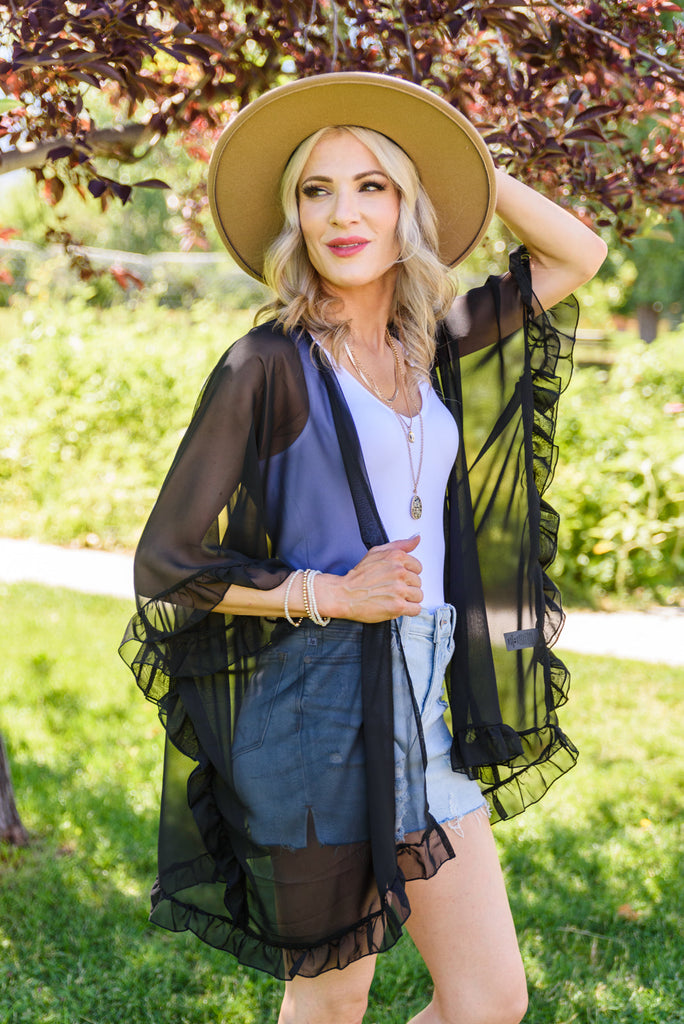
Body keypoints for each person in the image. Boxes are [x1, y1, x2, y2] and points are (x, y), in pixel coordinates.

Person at [120, 73, 606, 1024]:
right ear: (294, 216)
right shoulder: (269, 362)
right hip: (314, 709)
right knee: (336, 998)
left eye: (372, 186)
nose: (342, 214)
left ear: (408, 207)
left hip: (428, 701)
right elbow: (166, 561)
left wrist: (465, 158)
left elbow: (577, 252)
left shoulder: (435, 345)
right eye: (317, 191)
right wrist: (331, 594)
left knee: (489, 1002)